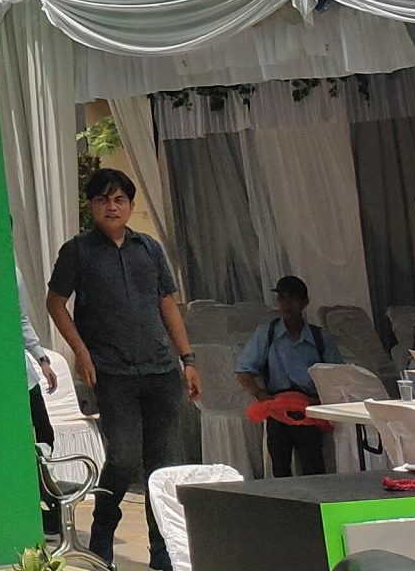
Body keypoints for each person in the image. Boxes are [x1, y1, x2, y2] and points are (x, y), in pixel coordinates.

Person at [47, 168, 198, 570]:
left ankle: (162, 554)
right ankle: (102, 536)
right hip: (112, 372)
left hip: (161, 370)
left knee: (163, 464)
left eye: (119, 200)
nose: (111, 207)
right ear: (92, 206)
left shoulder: (148, 248)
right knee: (125, 457)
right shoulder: (77, 251)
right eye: (103, 200)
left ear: (130, 205)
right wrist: (81, 351)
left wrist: (188, 359)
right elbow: (55, 303)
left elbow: (167, 304)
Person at [234, 276, 342, 477]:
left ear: (304, 303)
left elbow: (338, 376)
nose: (286, 304)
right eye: (281, 298)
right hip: (277, 408)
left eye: (291, 298)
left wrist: (321, 401)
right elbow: (242, 371)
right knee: (280, 469)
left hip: (309, 409)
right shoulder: (267, 333)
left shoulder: (319, 337)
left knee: (315, 469)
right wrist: (261, 395)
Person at [22, 305, 63, 540]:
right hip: (4, 377)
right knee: (22, 443)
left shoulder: (15, 283)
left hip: (26, 376)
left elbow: (22, 320)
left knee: (45, 435)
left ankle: (49, 497)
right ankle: (37, 504)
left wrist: (42, 360)